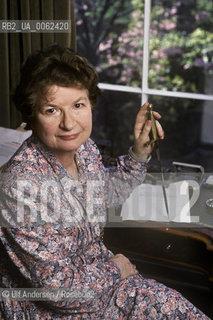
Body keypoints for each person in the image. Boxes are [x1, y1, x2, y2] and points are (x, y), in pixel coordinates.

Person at [0, 45, 209, 319]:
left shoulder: (84, 149)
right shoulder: (19, 187)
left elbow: (103, 195)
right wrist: (116, 268)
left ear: (90, 104)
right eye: (52, 110)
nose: (69, 123)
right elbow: (59, 292)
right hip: (56, 310)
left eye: (78, 106)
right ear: (31, 116)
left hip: (104, 286)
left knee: (176, 308)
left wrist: (140, 151)